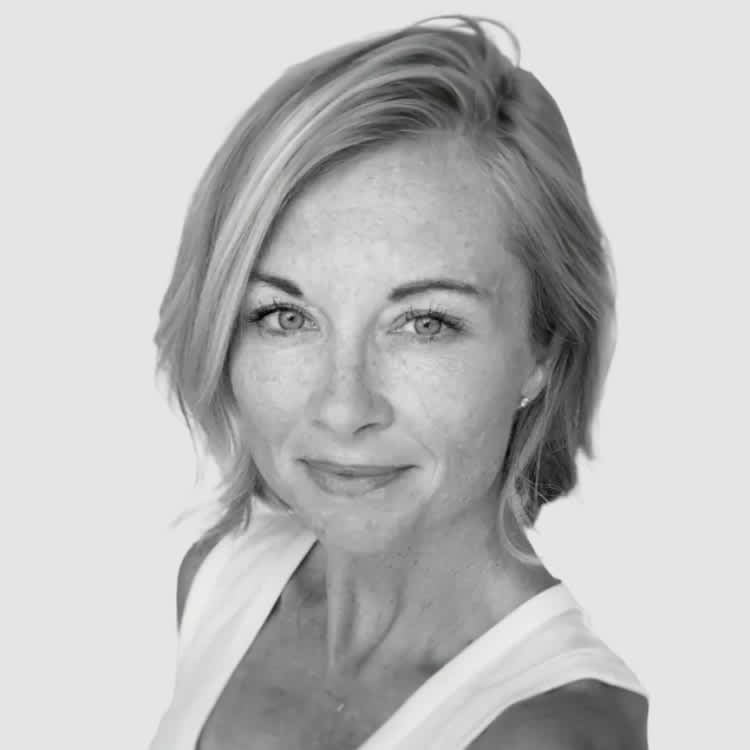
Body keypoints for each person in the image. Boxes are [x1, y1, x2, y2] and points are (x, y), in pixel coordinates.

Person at [149, 14, 649, 750]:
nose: (343, 407)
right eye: (285, 316)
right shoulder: (221, 577)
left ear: (543, 346)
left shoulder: (549, 734)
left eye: (425, 323)